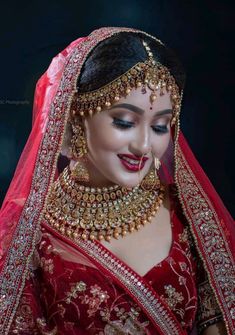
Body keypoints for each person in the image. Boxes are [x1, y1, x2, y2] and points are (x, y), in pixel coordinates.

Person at [0, 27, 234, 335]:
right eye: (125, 122)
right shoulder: (25, 232)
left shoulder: (190, 215)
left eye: (161, 126)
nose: (145, 146)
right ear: (77, 116)